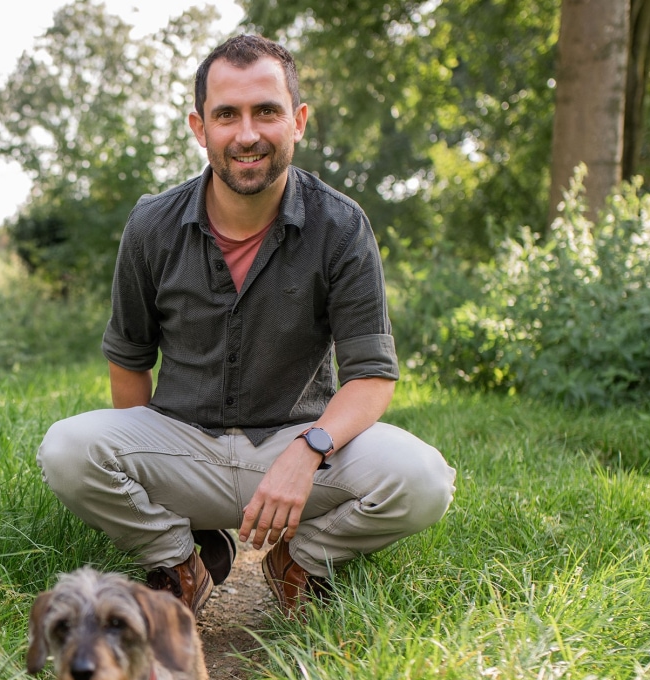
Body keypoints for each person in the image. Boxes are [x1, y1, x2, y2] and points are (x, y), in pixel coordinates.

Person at [37, 34, 456, 618]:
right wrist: (153, 480)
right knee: (66, 449)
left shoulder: (341, 226)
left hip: (300, 446)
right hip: (185, 446)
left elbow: (372, 377)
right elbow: (129, 361)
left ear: (298, 121)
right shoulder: (152, 225)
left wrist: (308, 451)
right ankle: (181, 561)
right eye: (227, 114)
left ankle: (301, 560)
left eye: (267, 111)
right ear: (199, 127)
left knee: (425, 479)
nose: (247, 134)